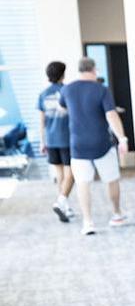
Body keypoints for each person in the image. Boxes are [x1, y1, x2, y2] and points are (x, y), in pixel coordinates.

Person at [59, 57, 128, 235]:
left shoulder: (67, 90)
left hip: (78, 145)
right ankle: (116, 214)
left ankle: (88, 222)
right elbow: (111, 115)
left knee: (83, 183)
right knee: (111, 179)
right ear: (94, 70)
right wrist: (122, 138)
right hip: (101, 144)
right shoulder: (101, 89)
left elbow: (63, 109)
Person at [37, 61, 74, 222]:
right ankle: (62, 202)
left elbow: (42, 121)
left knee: (60, 173)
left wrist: (42, 141)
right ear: (62, 74)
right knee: (70, 173)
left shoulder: (43, 94)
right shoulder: (67, 91)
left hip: (51, 140)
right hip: (67, 138)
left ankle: (64, 205)